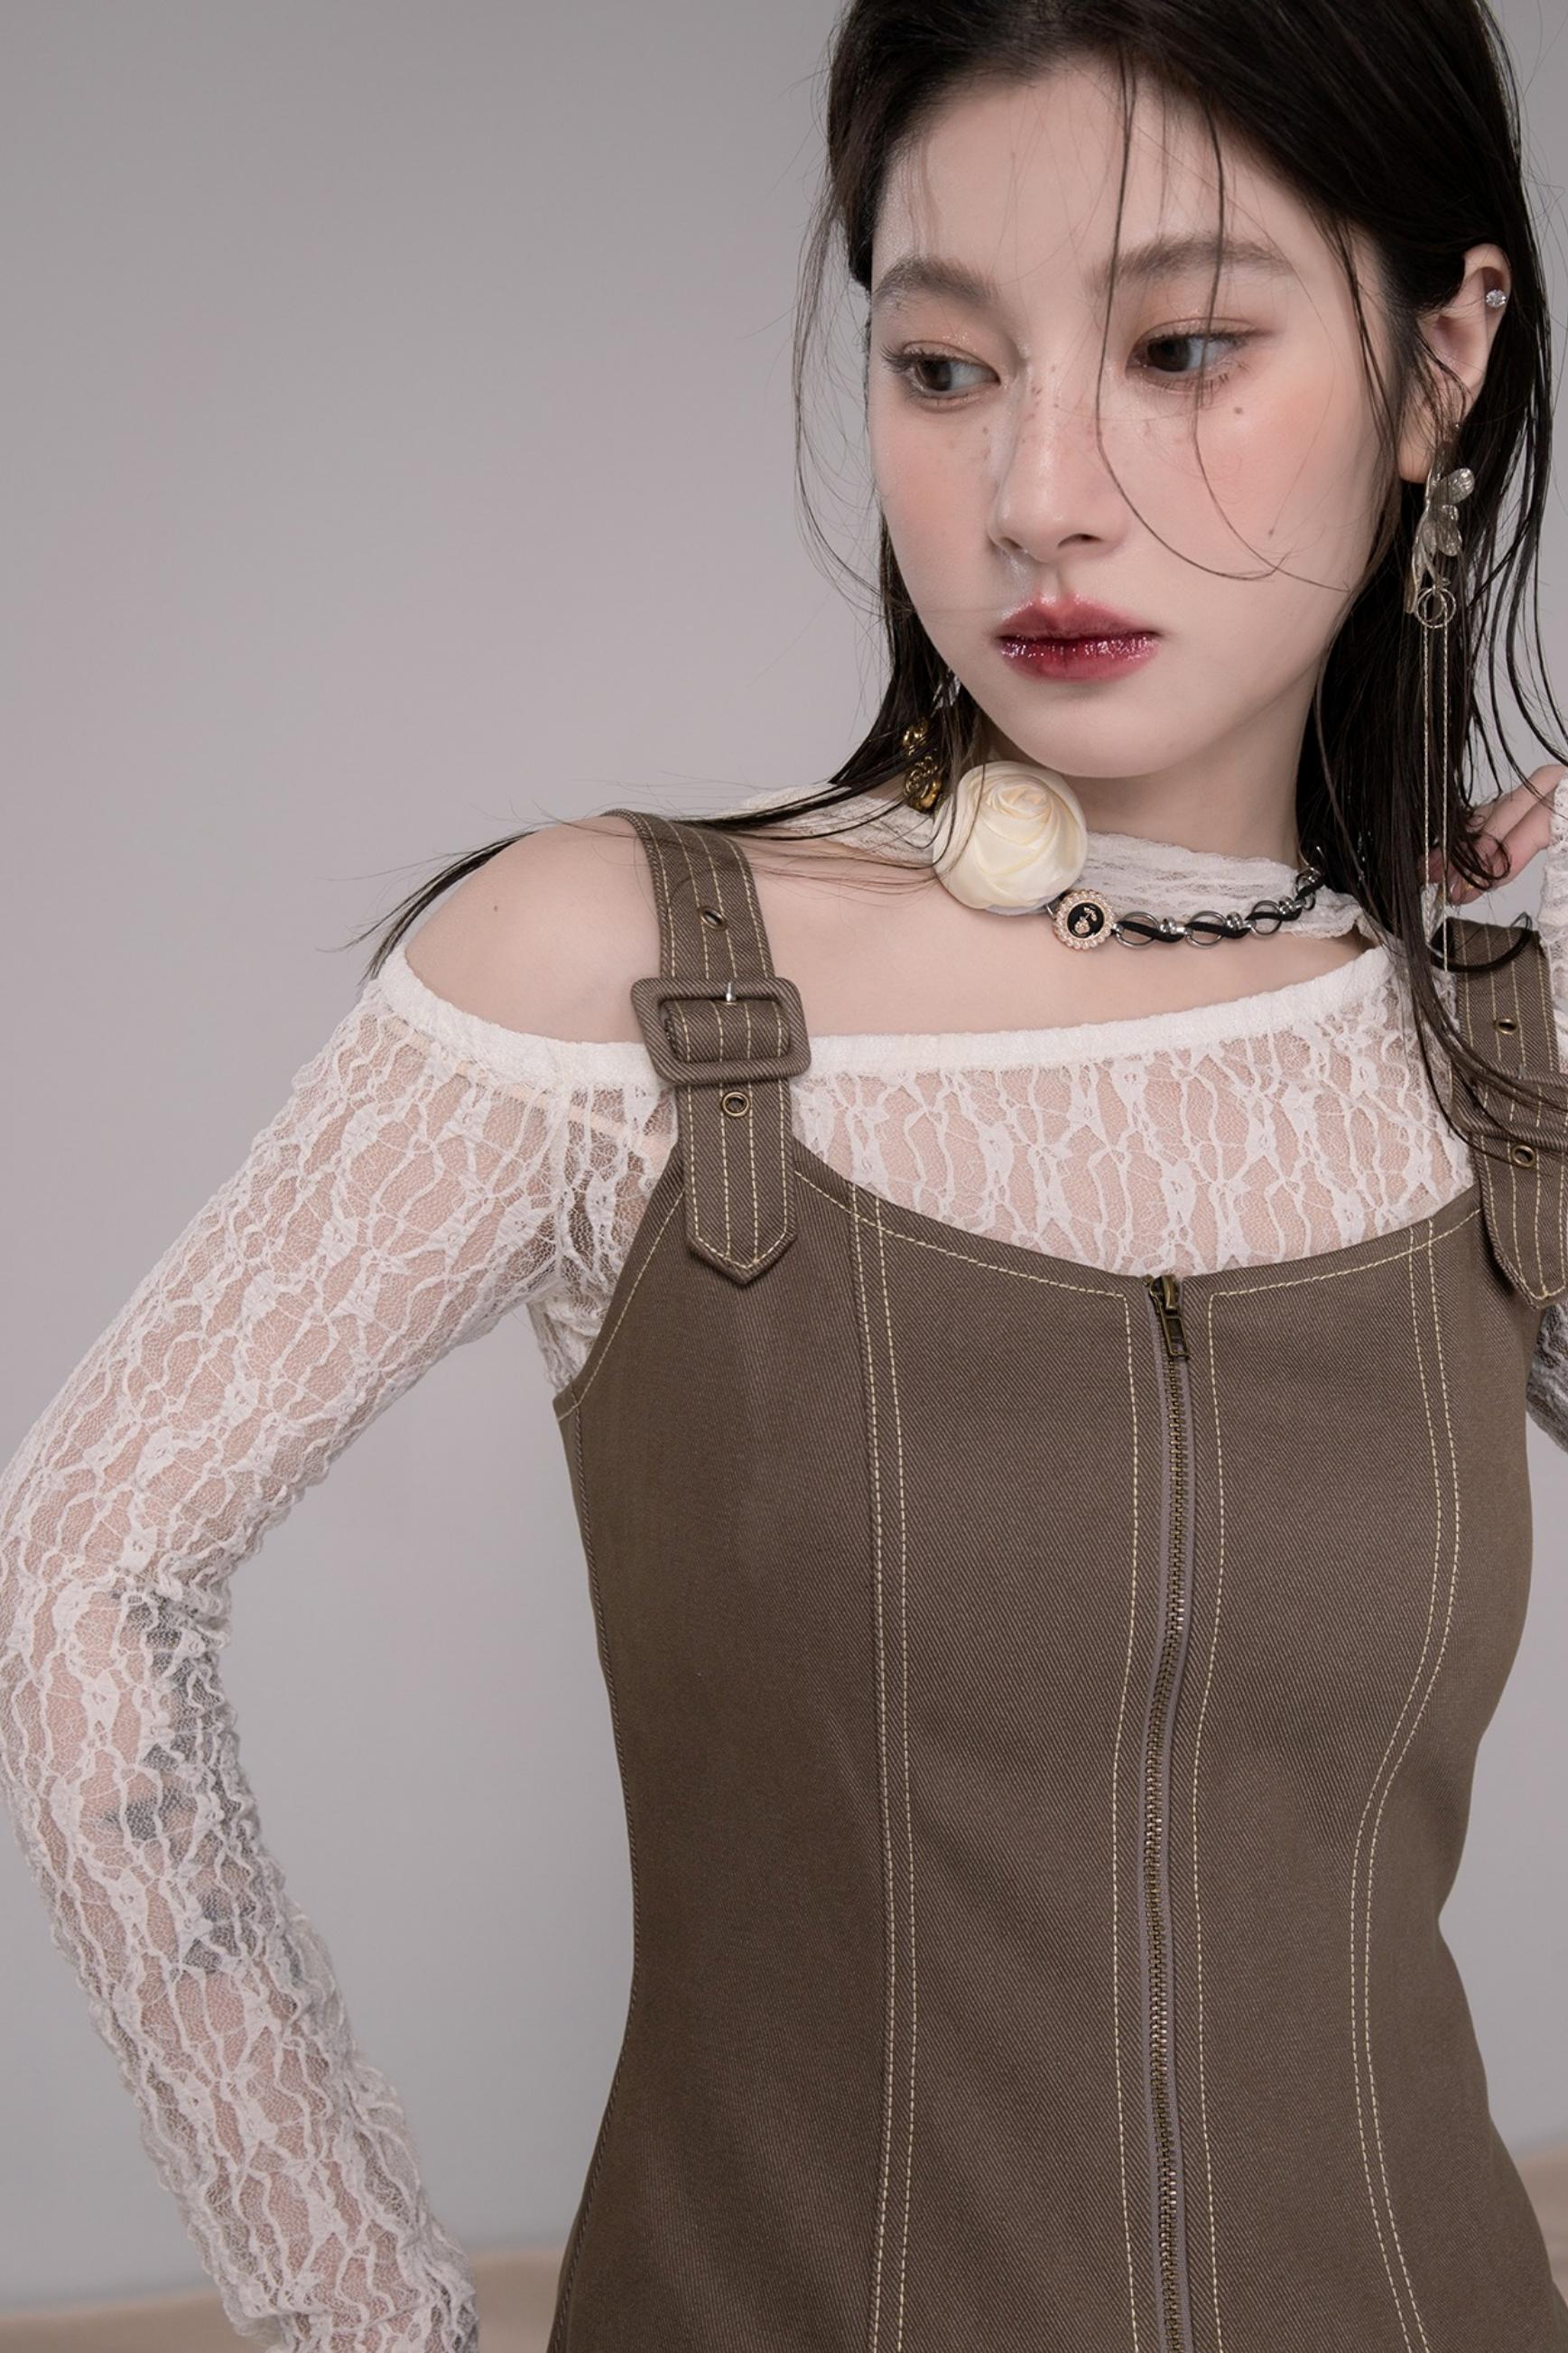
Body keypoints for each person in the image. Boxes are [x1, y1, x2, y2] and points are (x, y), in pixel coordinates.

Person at [4, 3, 1568, 2348]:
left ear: (1443, 363)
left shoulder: (1483, 1042)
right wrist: (366, 2316)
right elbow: (79, 1584)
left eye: (1181, 347)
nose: (1038, 490)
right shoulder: (616, 975)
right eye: (942, 368)